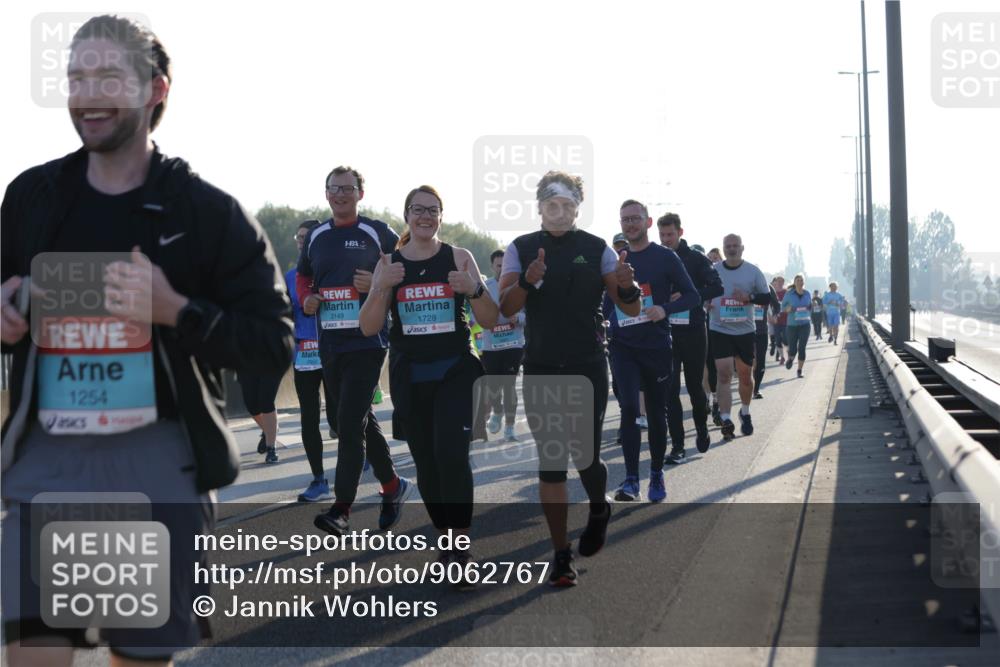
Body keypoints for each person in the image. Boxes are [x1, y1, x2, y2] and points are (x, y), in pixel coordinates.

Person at [0, 15, 294, 666]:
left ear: (157, 89)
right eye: (76, 76)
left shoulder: (206, 213)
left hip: (156, 471)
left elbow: (272, 343)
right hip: (50, 471)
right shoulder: (30, 198)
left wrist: (176, 309)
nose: (88, 93)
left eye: (108, 76)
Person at [499, 170, 641, 587]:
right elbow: (505, 309)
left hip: (587, 365)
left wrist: (629, 288)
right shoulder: (521, 248)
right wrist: (529, 279)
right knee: (551, 462)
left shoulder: (596, 248)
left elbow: (629, 309)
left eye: (567, 206)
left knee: (585, 456)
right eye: (551, 205)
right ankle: (561, 554)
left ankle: (599, 507)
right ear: (539, 207)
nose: (559, 213)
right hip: (541, 365)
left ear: (578, 208)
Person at [360, 185, 496, 589]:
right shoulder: (389, 263)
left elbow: (489, 319)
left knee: (451, 456)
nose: (425, 216)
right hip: (410, 376)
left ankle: (461, 549)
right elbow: (368, 327)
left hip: (456, 370)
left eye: (433, 210)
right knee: (427, 465)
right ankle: (447, 543)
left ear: (441, 215)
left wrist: (473, 289)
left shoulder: (459, 257)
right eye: (418, 210)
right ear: (406, 215)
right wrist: (382, 285)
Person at [300, 166, 412, 538]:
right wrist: (308, 298)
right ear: (326, 193)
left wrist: (379, 284)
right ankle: (393, 487)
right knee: (355, 419)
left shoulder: (377, 232)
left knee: (348, 426)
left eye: (348, 188)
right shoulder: (317, 235)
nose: (341, 194)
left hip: (367, 340)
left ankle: (342, 510)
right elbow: (303, 276)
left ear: (360, 193)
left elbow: (407, 269)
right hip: (329, 342)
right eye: (334, 188)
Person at [607, 202, 698, 500]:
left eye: (635, 219)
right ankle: (631, 480)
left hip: (657, 346)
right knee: (630, 409)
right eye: (625, 219)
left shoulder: (665, 257)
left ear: (647, 222)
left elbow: (693, 296)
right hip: (623, 347)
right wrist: (600, 321)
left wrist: (664, 308)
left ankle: (656, 475)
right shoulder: (611, 260)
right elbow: (605, 303)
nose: (630, 224)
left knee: (658, 413)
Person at [657, 213, 723, 460]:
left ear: (680, 233)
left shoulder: (696, 259)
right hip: (667, 332)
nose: (665, 240)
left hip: (694, 330)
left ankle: (702, 429)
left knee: (695, 386)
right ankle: (678, 446)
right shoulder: (656, 258)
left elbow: (718, 287)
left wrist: (688, 295)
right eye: (662, 235)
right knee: (670, 390)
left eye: (670, 235)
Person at [286, 219, 340, 501]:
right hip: (304, 354)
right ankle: (319, 480)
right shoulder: (289, 277)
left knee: (337, 416)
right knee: (309, 417)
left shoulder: (333, 271)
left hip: (333, 350)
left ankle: (364, 456)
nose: (302, 242)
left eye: (308, 237)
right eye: (300, 237)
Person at [707, 235, 770, 441]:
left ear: (742, 248)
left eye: (735, 246)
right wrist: (705, 302)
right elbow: (699, 292)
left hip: (744, 331)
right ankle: (726, 419)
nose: (732, 249)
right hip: (719, 329)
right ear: (723, 249)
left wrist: (749, 297)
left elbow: (767, 297)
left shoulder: (753, 271)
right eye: (728, 246)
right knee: (723, 375)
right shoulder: (713, 270)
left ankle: (745, 411)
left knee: (744, 375)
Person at [480, 249, 525, 442]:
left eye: (505, 265)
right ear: (492, 266)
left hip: (514, 344)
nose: (501, 269)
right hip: (491, 346)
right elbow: (476, 314)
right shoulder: (485, 287)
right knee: (494, 387)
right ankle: (497, 411)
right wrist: (487, 319)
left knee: (509, 385)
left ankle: (509, 428)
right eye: (498, 265)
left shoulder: (519, 287)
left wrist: (518, 318)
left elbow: (530, 314)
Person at [752, 280, 780, 399]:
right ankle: (747, 384)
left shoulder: (767, 288)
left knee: (760, 361)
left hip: (761, 331)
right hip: (743, 330)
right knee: (748, 361)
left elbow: (777, 305)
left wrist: (774, 315)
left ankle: (756, 389)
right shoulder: (743, 285)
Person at [781, 274, 812, 378]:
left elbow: (810, 306)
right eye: (798, 280)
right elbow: (783, 307)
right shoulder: (789, 294)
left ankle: (799, 370)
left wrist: (813, 305)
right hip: (792, 325)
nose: (800, 282)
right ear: (794, 282)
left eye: (801, 280)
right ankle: (790, 359)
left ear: (804, 282)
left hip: (805, 324)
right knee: (793, 349)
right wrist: (787, 309)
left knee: (802, 347)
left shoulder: (807, 294)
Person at [704, 247, 723, 425]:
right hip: (706, 327)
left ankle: (717, 402)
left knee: (718, 369)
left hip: (725, 329)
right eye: (710, 259)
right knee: (707, 368)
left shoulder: (725, 277)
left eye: (716, 258)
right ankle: (709, 399)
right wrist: (705, 305)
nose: (713, 261)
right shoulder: (703, 277)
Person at [770, 276, 788, 365]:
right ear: (775, 282)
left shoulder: (786, 292)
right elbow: (769, 306)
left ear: (783, 282)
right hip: (776, 319)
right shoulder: (772, 292)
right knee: (777, 339)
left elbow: (790, 303)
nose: (780, 283)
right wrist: (771, 316)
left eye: (781, 281)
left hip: (785, 319)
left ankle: (788, 355)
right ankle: (782, 357)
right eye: (778, 281)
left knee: (785, 339)